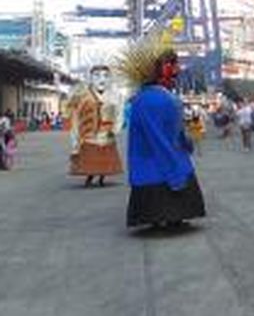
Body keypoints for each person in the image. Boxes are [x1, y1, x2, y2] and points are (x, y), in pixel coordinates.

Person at [118, 38, 205, 229]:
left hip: (149, 166)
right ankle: (172, 215)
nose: (177, 71)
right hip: (166, 163)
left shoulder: (146, 99)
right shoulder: (157, 99)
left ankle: (158, 217)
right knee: (165, 184)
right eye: (171, 65)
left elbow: (174, 130)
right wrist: (175, 171)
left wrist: (184, 142)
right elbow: (161, 139)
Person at [67, 65, 124, 187]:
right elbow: (75, 119)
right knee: (90, 157)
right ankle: (90, 176)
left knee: (105, 158)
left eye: (105, 76)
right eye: (97, 76)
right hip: (89, 135)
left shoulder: (115, 96)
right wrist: (75, 143)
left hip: (107, 133)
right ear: (90, 78)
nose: (101, 79)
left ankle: (102, 178)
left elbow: (119, 115)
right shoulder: (82, 96)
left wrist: (115, 129)